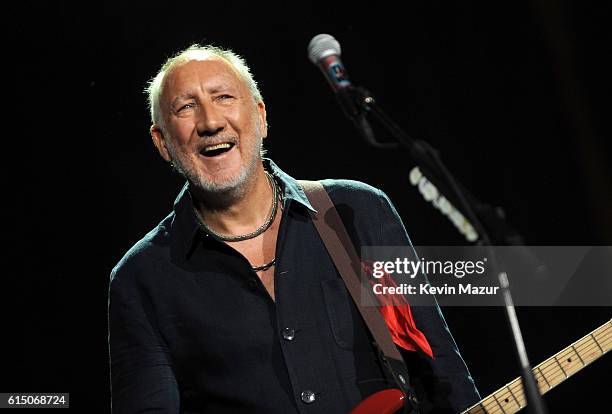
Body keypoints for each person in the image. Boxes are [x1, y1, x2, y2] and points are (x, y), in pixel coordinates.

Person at [108, 44, 480, 414]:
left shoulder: (357, 211)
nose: (210, 122)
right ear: (162, 143)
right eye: (186, 107)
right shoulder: (139, 279)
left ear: (260, 117)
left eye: (223, 97)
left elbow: (442, 370)